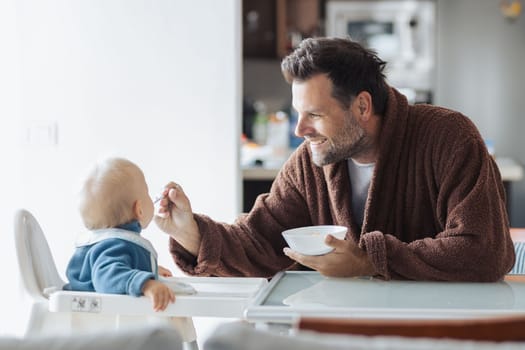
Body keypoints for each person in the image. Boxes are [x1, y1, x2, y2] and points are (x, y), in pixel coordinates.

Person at [155, 37, 515, 281]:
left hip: (439, 333)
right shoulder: (308, 164)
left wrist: (369, 259)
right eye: (298, 113)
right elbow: (261, 242)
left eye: (314, 114)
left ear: (362, 106)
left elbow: (485, 249)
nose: (300, 129)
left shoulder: (448, 137)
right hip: (344, 333)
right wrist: (190, 232)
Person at [65, 157, 175, 311]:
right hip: (98, 323)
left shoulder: (109, 244)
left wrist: (146, 269)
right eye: (147, 192)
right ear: (139, 209)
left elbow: (118, 266)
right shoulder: (114, 245)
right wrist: (145, 283)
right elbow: (106, 276)